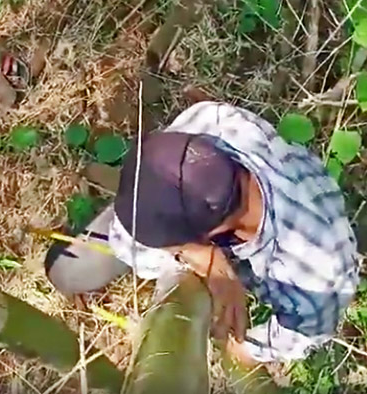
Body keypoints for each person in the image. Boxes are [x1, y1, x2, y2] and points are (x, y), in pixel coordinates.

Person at [45, 101, 360, 367]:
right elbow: (131, 245)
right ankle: (140, 202)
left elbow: (304, 333)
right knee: (66, 272)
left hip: (307, 234)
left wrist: (247, 348)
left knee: (68, 272)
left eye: (176, 246)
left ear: (216, 232)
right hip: (192, 215)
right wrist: (203, 257)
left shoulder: (316, 272)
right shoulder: (213, 123)